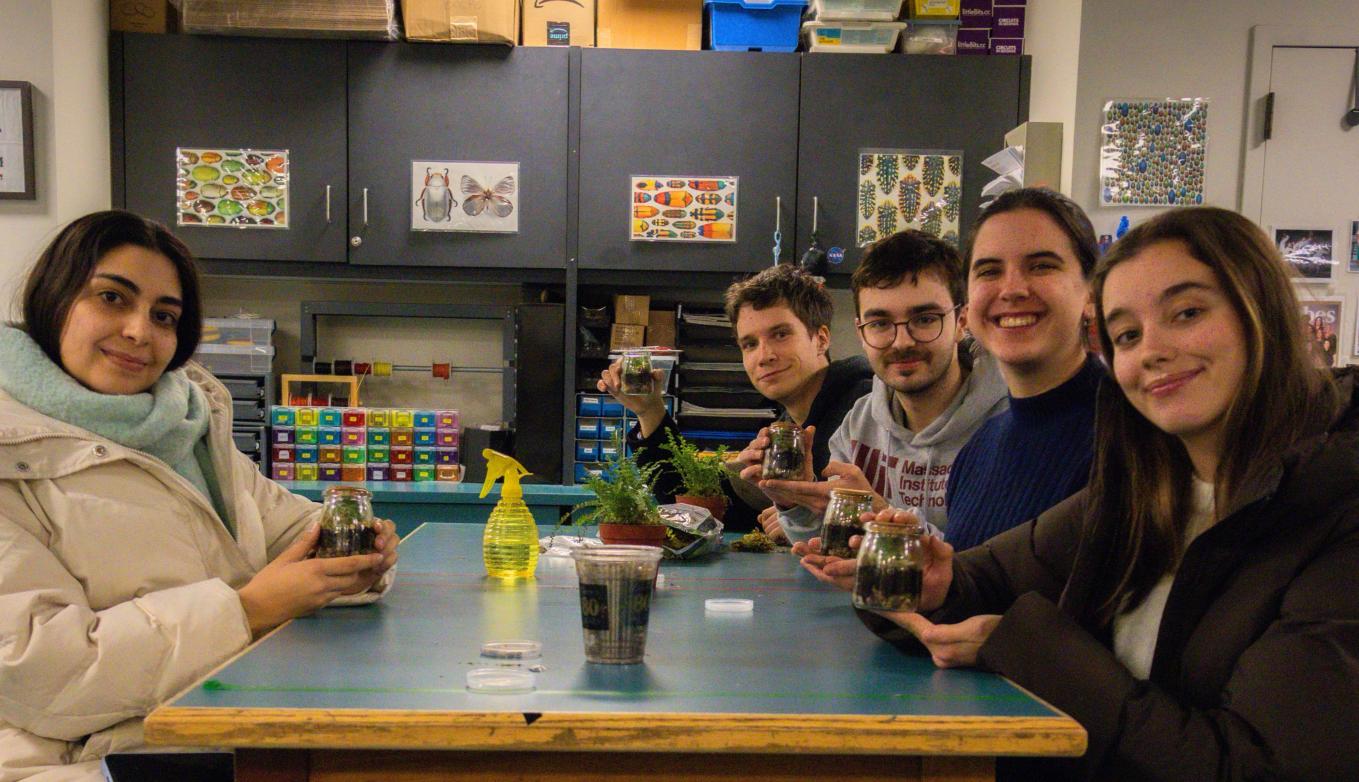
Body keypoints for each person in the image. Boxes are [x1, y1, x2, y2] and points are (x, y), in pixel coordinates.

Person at [805, 207, 1359, 780]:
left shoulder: (1337, 505)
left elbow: (1253, 767)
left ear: (1260, 310)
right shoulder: (1149, 480)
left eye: (1187, 312)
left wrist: (1018, 644)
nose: (1153, 350)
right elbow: (987, 574)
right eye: (1128, 334)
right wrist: (927, 581)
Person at [0, 211, 398, 781]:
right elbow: (45, 674)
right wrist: (249, 609)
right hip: (95, 761)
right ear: (53, 298)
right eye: (112, 298)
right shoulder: (10, 451)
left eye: (164, 315)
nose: (140, 331)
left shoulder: (186, 430)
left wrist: (356, 549)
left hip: (227, 727)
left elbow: (287, 527)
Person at [744, 230, 1008, 541]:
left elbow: (993, 568)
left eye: (924, 319)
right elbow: (836, 549)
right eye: (880, 324)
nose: (902, 342)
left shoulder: (1007, 429)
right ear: (860, 332)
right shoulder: (858, 426)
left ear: (961, 322)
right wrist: (796, 503)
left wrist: (883, 517)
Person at [597, 264, 872, 534]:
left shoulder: (868, 410)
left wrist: (811, 518)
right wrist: (650, 411)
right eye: (750, 344)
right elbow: (701, 508)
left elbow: (898, 517)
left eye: (780, 334)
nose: (764, 356)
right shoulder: (788, 430)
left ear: (821, 339)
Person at [942, 188, 1106, 551]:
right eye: (989, 271)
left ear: (1091, 295)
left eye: (1042, 265)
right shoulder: (978, 449)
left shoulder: (1129, 438)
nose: (1012, 289)